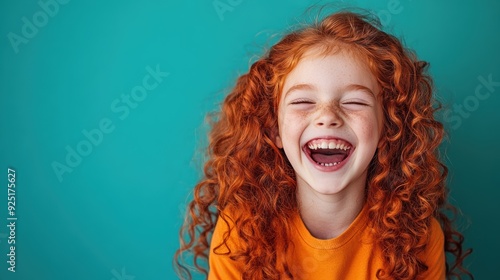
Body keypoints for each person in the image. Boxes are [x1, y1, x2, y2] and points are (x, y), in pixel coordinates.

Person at [175, 9, 472, 280]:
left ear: (387, 130)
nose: (327, 117)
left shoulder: (416, 237)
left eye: (355, 102)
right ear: (273, 129)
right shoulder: (241, 233)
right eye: (303, 102)